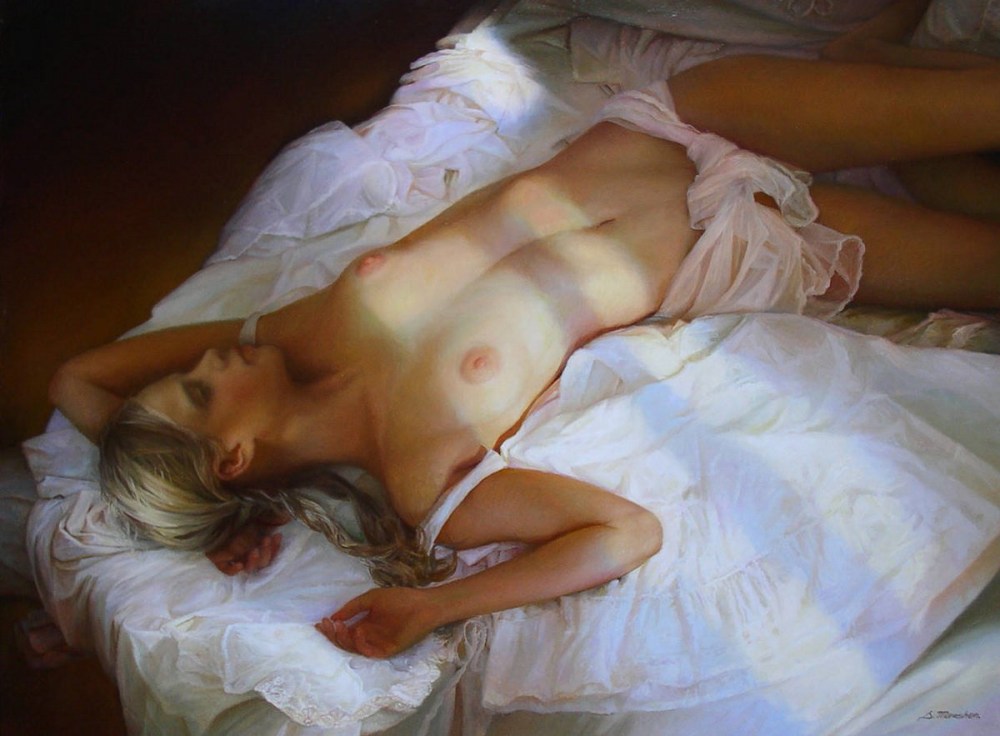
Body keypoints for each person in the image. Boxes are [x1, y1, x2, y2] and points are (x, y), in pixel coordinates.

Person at [50, 44, 1000, 660]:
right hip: (745, 238)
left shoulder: (289, 333)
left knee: (980, 98)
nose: (201, 363)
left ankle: (917, 98)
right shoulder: (422, 477)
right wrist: (436, 608)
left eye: (186, 374)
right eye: (196, 393)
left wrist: (188, 505)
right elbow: (623, 533)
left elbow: (76, 376)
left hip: (679, 124)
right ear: (234, 456)